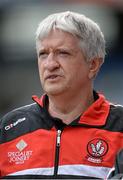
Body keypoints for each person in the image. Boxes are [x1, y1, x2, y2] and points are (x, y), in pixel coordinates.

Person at [0, 11, 123, 179]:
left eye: (63, 53)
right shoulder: (9, 128)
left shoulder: (120, 127)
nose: (50, 64)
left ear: (93, 64)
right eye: (43, 54)